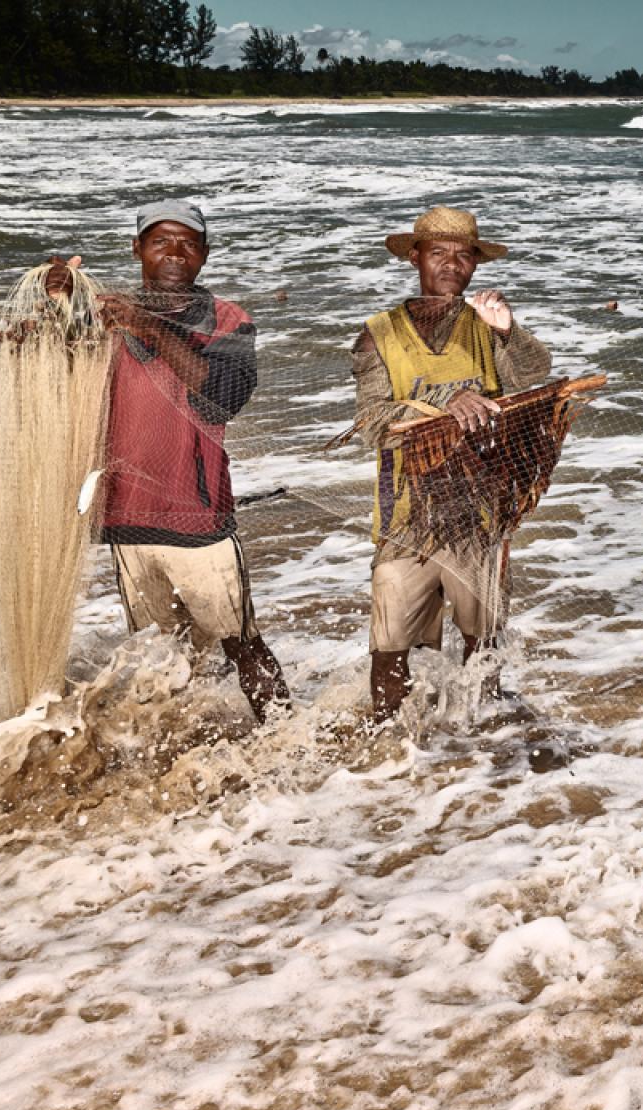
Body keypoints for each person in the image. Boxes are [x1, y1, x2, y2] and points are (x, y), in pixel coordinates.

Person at [45, 200, 290, 723]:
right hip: (127, 518)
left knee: (242, 645)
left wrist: (151, 329)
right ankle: (181, 755)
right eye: (161, 242)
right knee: (160, 658)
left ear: (204, 254)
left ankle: (289, 744)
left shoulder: (229, 320)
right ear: (137, 249)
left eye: (189, 243)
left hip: (199, 521)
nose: (176, 254)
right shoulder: (103, 318)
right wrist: (55, 304)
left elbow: (222, 397)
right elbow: (58, 373)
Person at [350, 206, 552, 722]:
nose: (451, 265)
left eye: (464, 256)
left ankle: (479, 750)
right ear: (414, 257)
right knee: (390, 648)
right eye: (438, 253)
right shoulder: (379, 334)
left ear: (475, 267)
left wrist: (509, 332)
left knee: (483, 643)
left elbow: (533, 377)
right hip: (405, 519)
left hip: (479, 516)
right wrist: (444, 406)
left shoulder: (486, 327)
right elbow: (373, 422)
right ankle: (392, 757)